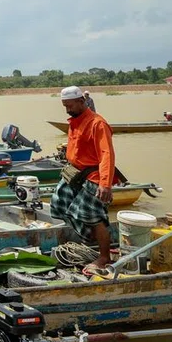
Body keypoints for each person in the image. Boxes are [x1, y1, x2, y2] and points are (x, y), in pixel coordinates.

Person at [51, 86, 119, 272]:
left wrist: (105, 184)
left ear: (81, 102)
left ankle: (104, 257)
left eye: (70, 106)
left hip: (95, 176)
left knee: (93, 216)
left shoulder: (97, 124)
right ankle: (88, 240)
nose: (67, 110)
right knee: (59, 202)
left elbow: (107, 154)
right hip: (76, 173)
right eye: (65, 106)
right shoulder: (75, 121)